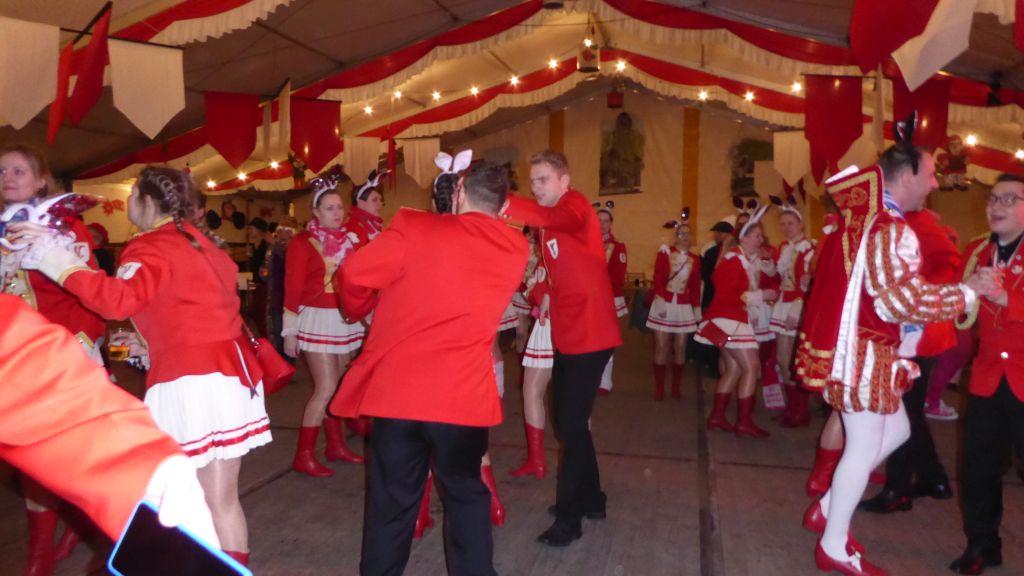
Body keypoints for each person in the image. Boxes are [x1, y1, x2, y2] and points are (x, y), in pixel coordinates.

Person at [15, 166, 273, 567]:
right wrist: (151, 345)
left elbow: (115, 302)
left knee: (171, 502)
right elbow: (203, 314)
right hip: (230, 377)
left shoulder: (149, 245)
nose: (130, 203)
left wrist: (55, 259)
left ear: (148, 201)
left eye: (133, 195)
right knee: (221, 500)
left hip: (190, 383)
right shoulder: (203, 243)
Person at [796, 129, 981, 574]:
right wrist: (966, 293)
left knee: (896, 431)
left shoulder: (863, 219)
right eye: (931, 174)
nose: (935, 184)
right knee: (863, 448)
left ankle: (828, 507)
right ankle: (833, 545)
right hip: (865, 353)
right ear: (908, 174)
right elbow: (899, 303)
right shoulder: (888, 227)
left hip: (861, 349)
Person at [330, 161, 528, 576]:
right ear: (503, 206)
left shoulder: (415, 227)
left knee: (391, 505)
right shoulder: (515, 247)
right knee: (467, 498)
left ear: (459, 191)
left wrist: (359, 309)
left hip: (400, 395)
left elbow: (353, 274)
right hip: (462, 398)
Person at [0, 294, 219, 550]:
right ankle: (47, 543)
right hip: (56, 365)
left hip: (71, 356)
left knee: (211, 491)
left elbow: (114, 301)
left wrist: (137, 465)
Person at [502, 150, 622, 547]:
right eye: (533, 180)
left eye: (543, 179)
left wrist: (498, 201)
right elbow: (553, 274)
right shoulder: (549, 222)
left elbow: (552, 220)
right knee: (570, 421)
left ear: (564, 181)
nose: (536, 187)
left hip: (591, 332)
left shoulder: (575, 207)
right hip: (569, 332)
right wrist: (539, 292)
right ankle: (593, 498)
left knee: (570, 424)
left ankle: (570, 519)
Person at [1, 144, 107, 575]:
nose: (8, 177)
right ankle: (40, 553)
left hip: (66, 351)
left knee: (78, 452)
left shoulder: (64, 227)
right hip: (16, 357)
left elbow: (91, 290)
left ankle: (90, 527)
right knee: (32, 456)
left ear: (42, 180)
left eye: (18, 170)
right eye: (1, 170)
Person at [947, 173, 1024, 575]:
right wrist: (967, 294)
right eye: (993, 198)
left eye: (1010, 199)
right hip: (988, 376)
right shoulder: (977, 250)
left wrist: (1004, 297)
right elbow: (959, 311)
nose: (997, 206)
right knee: (977, 468)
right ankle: (982, 544)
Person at [859, 207, 958, 514]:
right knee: (909, 411)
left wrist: (918, 294)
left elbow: (949, 261)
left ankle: (898, 489)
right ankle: (933, 478)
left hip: (921, 332)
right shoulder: (897, 219)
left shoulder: (917, 220)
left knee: (902, 411)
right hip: (912, 330)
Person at [282, 175, 365, 477]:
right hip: (316, 319)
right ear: (315, 212)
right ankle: (303, 455)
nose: (336, 213)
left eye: (339, 207)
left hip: (343, 319)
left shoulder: (351, 240)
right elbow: (292, 288)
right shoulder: (302, 243)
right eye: (329, 208)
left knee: (339, 386)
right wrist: (289, 331)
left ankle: (336, 445)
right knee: (326, 387)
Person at [695, 206, 775, 437]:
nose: (761, 240)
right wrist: (762, 295)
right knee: (751, 367)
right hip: (729, 319)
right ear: (744, 237)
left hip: (729, 318)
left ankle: (717, 416)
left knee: (732, 368)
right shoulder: (734, 259)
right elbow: (727, 294)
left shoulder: (742, 259)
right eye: (757, 236)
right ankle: (743, 421)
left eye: (761, 236)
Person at [509, 234, 553, 480]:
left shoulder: (550, 257)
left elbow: (540, 293)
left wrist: (535, 290)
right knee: (573, 399)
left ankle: (537, 461)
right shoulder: (553, 256)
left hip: (550, 325)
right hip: (569, 327)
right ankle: (538, 461)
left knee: (533, 392)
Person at [769, 199, 816, 427]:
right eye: (783, 224)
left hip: (797, 306)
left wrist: (797, 309)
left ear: (801, 225)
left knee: (793, 360)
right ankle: (792, 408)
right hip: (782, 304)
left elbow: (808, 284)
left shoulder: (808, 249)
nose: (786, 227)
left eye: (791, 223)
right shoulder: (784, 248)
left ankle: (800, 411)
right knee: (781, 359)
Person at [646, 216, 701, 400]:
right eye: (682, 234)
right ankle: (659, 388)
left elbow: (695, 285)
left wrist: (697, 308)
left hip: (683, 307)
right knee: (661, 346)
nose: (686, 237)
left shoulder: (695, 259)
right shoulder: (665, 252)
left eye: (688, 234)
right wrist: (660, 300)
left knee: (681, 346)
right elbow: (658, 279)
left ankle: (676, 387)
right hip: (664, 303)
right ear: (675, 236)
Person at [596, 202, 627, 396]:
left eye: (606, 221)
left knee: (606, 339)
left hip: (608, 298)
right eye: (598, 220)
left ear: (611, 224)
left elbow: (618, 275)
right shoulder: (584, 243)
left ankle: (605, 379)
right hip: (588, 298)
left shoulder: (617, 246)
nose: (602, 224)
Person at [697, 219, 735, 376]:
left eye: (719, 232)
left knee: (719, 334)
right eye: (715, 232)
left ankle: (717, 366)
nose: (716, 235)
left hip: (720, 299)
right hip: (712, 297)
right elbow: (704, 275)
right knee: (714, 333)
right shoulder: (711, 252)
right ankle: (714, 365)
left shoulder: (730, 253)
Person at [347, 168, 387, 247]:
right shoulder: (355, 229)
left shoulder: (372, 224)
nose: (380, 204)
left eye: (380, 200)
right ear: (361, 204)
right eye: (374, 200)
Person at [247, 217, 271, 337]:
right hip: (256, 283)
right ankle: (261, 338)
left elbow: (267, 267)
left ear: (259, 230)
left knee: (260, 314)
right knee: (255, 313)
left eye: (251, 229)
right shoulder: (255, 246)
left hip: (264, 285)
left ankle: (265, 340)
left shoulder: (266, 246)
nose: (249, 231)